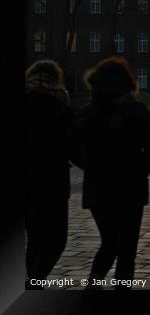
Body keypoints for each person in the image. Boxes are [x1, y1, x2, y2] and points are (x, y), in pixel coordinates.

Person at [75, 57, 150, 289]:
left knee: (108, 244)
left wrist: (91, 167)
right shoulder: (135, 110)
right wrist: (139, 169)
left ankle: (92, 287)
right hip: (130, 188)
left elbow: (73, 147)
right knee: (126, 251)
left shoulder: (89, 112)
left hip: (98, 188)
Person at [25, 60, 77, 289]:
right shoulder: (60, 105)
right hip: (53, 181)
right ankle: (34, 283)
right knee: (56, 241)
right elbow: (74, 147)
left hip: (26, 182)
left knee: (35, 240)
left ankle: (30, 284)